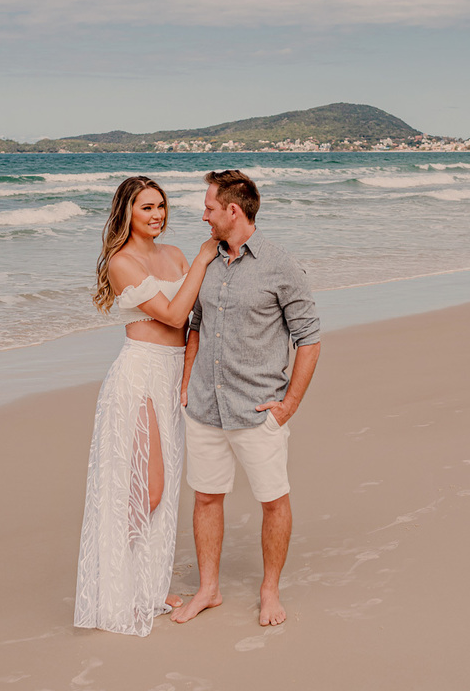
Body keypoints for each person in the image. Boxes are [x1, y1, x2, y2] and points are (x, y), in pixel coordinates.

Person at [171, 170, 321, 627]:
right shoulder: (207, 263)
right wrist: (186, 380)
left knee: (273, 500)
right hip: (204, 406)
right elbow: (193, 323)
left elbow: (309, 337)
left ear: (232, 211)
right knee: (205, 499)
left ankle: (269, 591)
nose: (204, 216)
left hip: (257, 411)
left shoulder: (280, 265)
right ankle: (209, 589)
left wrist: (289, 404)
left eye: (210, 208)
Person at [74, 176, 218, 637]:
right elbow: (174, 314)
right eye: (146, 209)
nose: (157, 215)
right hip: (138, 377)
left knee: (164, 486)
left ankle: (148, 586)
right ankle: (122, 588)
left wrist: (191, 369)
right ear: (126, 214)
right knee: (147, 487)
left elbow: (195, 320)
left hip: (173, 373)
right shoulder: (122, 261)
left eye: (160, 206)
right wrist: (203, 257)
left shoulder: (173, 254)